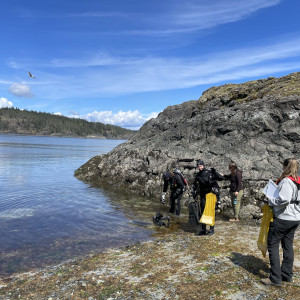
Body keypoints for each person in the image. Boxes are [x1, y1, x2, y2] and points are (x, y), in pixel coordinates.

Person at [261, 158, 300, 287]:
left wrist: (270, 200)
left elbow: (284, 200)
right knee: (287, 246)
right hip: (294, 218)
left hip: (284, 218)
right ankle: (286, 275)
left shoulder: (286, 181)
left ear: (285, 167)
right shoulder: (297, 181)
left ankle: (275, 279)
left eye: (282, 166)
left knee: (272, 245)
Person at [191, 160, 223, 235]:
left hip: (210, 194)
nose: (200, 168)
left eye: (201, 166)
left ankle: (212, 229)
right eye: (198, 166)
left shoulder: (209, 173)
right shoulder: (198, 175)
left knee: (211, 211)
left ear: (203, 165)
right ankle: (203, 229)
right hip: (203, 195)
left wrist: (215, 172)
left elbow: (221, 178)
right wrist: (194, 193)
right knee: (203, 211)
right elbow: (195, 185)